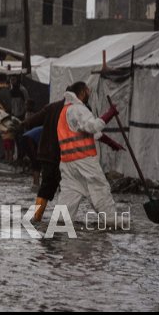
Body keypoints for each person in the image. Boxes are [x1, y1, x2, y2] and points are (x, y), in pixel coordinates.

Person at [54, 81, 125, 223]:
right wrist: (109, 114)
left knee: (68, 198)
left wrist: (112, 143)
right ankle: (112, 222)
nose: (89, 94)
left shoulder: (65, 111)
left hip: (68, 164)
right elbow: (93, 127)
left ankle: (59, 227)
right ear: (82, 92)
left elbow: (90, 133)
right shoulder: (78, 109)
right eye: (88, 91)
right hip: (84, 161)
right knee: (100, 189)